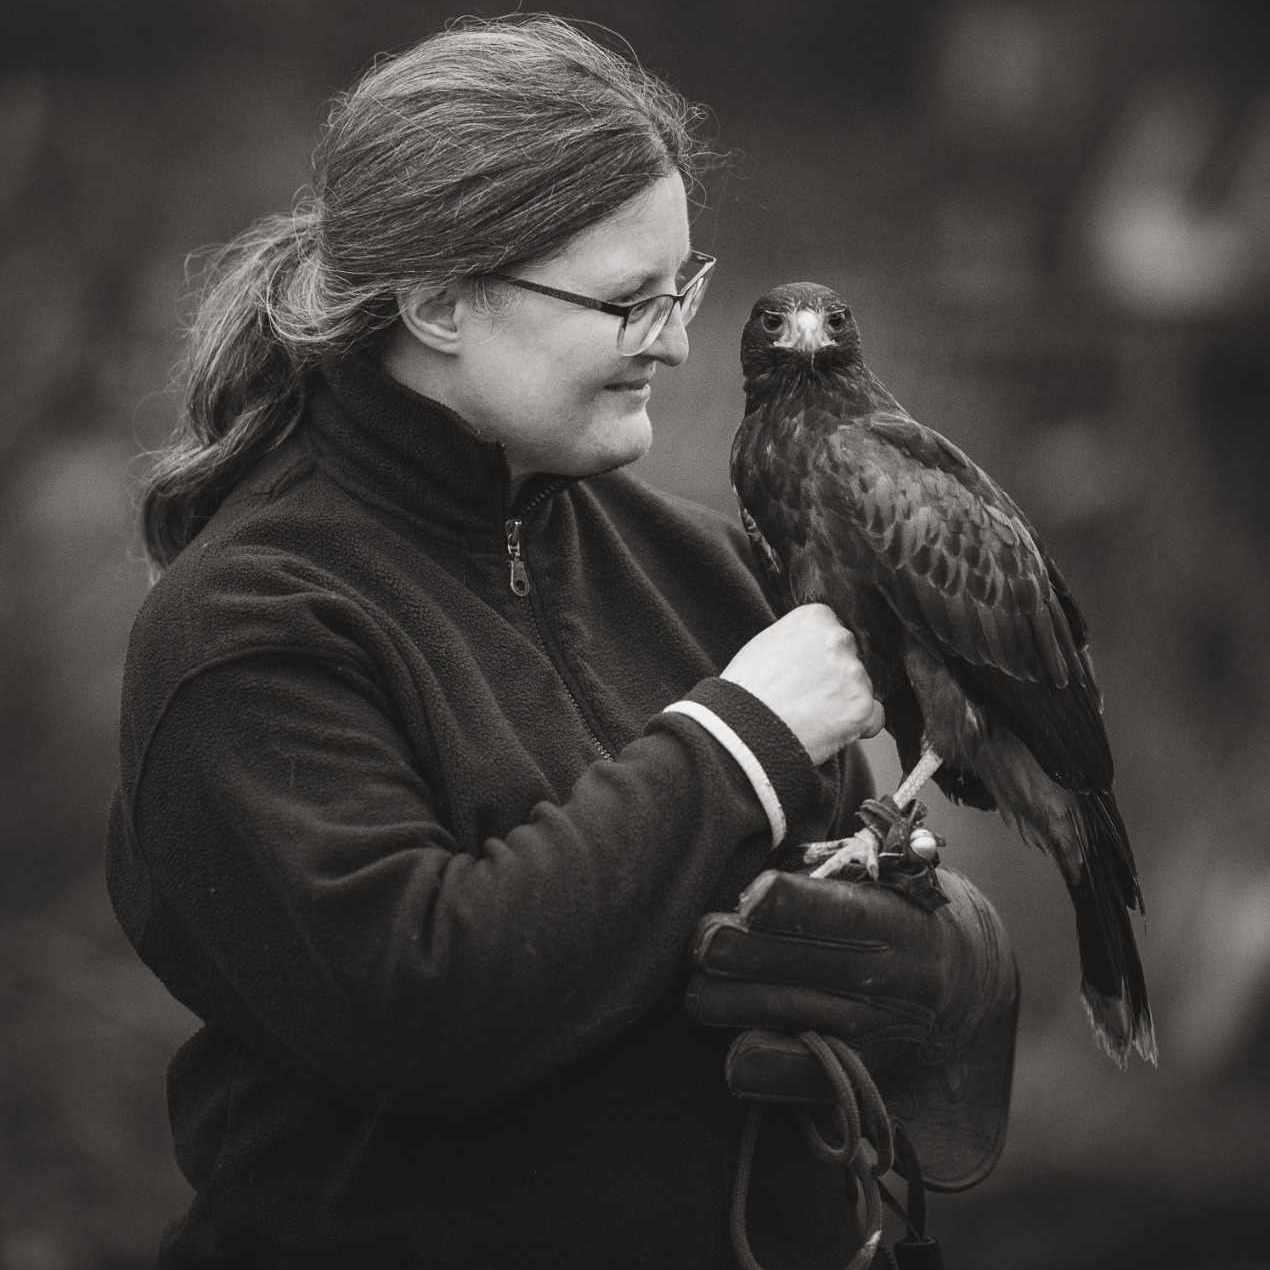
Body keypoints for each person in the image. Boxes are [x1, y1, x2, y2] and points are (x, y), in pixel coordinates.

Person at [106, 16, 1015, 1269]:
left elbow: (824, 913)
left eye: (683, 287)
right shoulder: (250, 623)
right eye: (626, 300)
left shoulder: (703, 562)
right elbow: (415, 1000)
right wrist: (734, 745)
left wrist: (940, 962)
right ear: (433, 299)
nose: (682, 340)